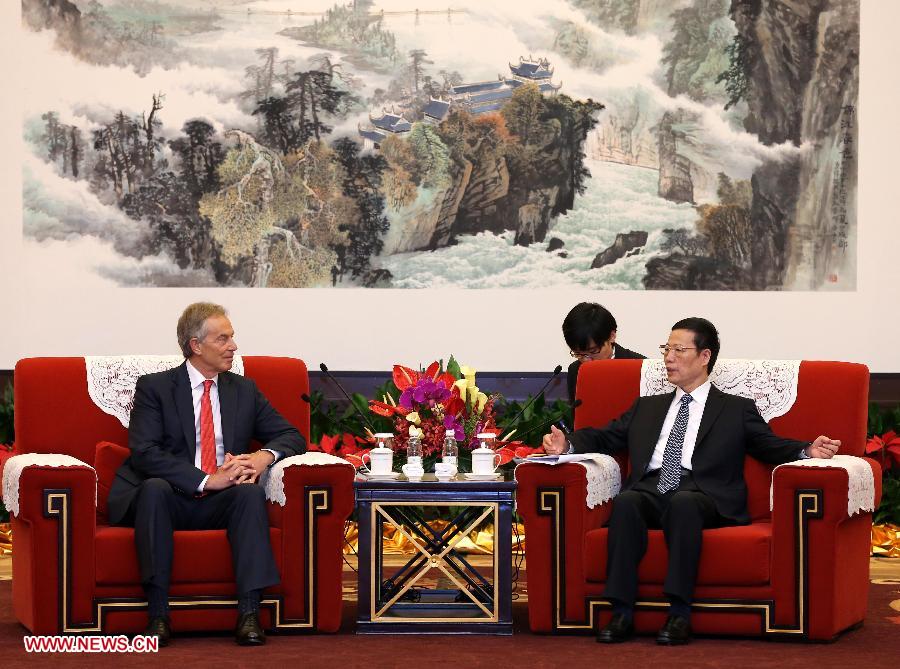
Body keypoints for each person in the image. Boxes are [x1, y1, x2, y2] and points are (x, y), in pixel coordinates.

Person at [542, 317, 840, 645]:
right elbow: (606, 435)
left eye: (679, 350)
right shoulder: (648, 406)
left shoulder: (734, 409)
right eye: (666, 349)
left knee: (684, 503)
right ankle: (621, 611)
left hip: (703, 493)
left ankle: (679, 613)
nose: (668, 357)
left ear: (704, 356)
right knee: (627, 501)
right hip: (652, 487)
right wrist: (567, 445)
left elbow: (768, 444)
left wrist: (806, 449)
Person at [107, 302, 305, 647]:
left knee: (248, 493)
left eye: (232, 337)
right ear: (196, 345)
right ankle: (157, 615)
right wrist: (206, 479)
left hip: (222, 501)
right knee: (153, 488)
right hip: (170, 495)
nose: (233, 346)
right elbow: (145, 453)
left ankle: (248, 615)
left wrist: (262, 457)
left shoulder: (243, 390)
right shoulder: (156, 388)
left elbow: (292, 435)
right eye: (223, 339)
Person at [562, 302, 644, 404]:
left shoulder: (641, 368)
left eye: (593, 351)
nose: (586, 360)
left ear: (612, 336)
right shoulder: (575, 370)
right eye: (578, 353)